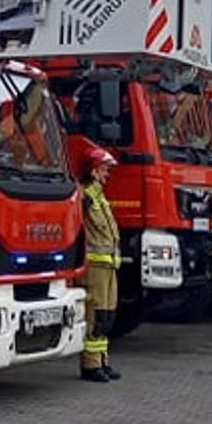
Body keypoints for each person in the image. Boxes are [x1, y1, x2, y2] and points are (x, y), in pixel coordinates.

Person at [78, 147, 122, 382]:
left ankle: (102, 360)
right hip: (95, 268)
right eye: (104, 169)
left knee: (107, 316)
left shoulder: (99, 197)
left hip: (108, 267)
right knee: (95, 315)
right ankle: (90, 365)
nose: (108, 173)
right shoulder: (85, 196)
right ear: (94, 171)